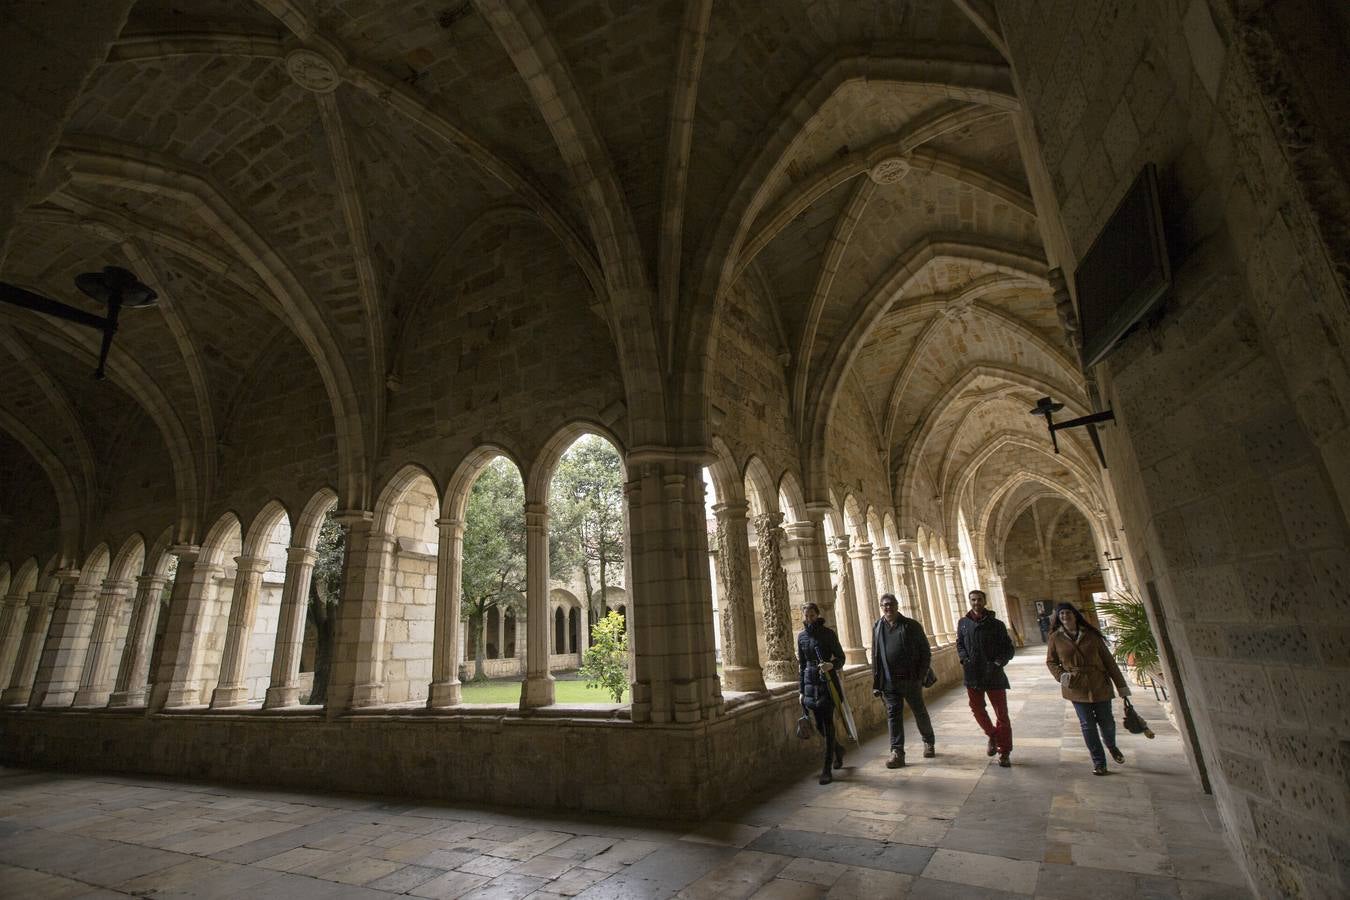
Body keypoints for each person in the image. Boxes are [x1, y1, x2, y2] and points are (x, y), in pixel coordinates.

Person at [1046, 601, 1131, 775]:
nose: (1064, 616)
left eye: (1068, 613)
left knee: (1107, 722)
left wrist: (1121, 686)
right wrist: (1062, 675)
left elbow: (1109, 661)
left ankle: (1111, 745)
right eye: (1061, 614)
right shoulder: (1055, 637)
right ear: (1058, 618)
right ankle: (1099, 762)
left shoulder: (1091, 635)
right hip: (1076, 686)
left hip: (1098, 682)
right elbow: (1051, 661)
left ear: (1075, 615)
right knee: (1087, 725)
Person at [871, 594, 935, 767]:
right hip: (889, 682)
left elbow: (925, 652)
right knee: (893, 716)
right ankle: (897, 752)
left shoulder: (911, 625)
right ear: (880, 606)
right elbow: (875, 655)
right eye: (884, 605)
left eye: (891, 604)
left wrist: (920, 676)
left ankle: (928, 741)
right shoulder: (877, 626)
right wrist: (876, 682)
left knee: (919, 711)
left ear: (897, 605)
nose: (888, 608)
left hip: (910, 680)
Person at [956, 590, 1015, 767]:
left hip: (993, 674)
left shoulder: (997, 624)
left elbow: (1008, 649)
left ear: (985, 601)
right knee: (977, 709)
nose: (976, 603)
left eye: (979, 599)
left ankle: (1004, 752)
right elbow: (959, 643)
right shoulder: (963, 623)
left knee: (1001, 713)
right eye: (973, 600)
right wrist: (964, 658)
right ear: (969, 601)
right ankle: (992, 734)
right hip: (973, 673)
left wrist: (998, 663)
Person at [797, 602, 846, 784]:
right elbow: (802, 666)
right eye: (806, 616)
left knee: (828, 724)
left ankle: (827, 768)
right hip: (810, 685)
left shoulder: (828, 634)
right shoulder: (801, 637)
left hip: (827, 683)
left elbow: (841, 657)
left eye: (812, 615)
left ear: (818, 615)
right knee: (818, 725)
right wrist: (801, 690)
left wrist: (831, 665)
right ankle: (838, 749)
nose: (809, 618)